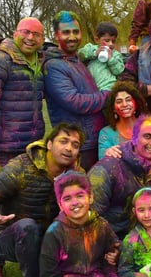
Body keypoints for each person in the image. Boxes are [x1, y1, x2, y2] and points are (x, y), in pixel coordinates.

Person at [6, 171, 136, 277]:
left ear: (90, 197)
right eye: (67, 199)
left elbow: (109, 263)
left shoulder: (102, 226)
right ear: (60, 205)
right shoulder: (54, 234)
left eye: (80, 195)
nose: (74, 202)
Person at [0, 123, 84, 277]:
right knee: (27, 227)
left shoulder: (76, 175)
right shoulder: (21, 167)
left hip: (47, 238)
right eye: (64, 141)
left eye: (75, 145)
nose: (69, 148)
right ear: (49, 144)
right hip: (11, 238)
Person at [0, 17, 45, 175]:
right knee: (5, 195)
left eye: (36, 34)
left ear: (42, 39)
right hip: (5, 150)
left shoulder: (39, 62)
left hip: (32, 146)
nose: (30, 38)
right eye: (26, 32)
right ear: (15, 34)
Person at [44, 11, 108, 171]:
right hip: (77, 144)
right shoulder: (53, 66)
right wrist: (109, 95)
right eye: (66, 32)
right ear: (56, 35)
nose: (72, 36)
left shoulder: (77, 61)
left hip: (93, 140)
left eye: (76, 31)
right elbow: (76, 102)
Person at [88, 115, 151, 238]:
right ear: (134, 139)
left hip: (140, 236)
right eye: (147, 136)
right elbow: (91, 218)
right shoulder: (106, 170)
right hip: (109, 239)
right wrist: (114, 246)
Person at [97, 81, 148, 160]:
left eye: (128, 100)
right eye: (119, 101)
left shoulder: (149, 126)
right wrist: (107, 152)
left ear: (136, 104)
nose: (124, 104)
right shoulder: (106, 133)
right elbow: (102, 161)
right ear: (113, 108)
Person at [78, 21, 125, 91]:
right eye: (107, 40)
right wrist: (94, 53)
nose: (110, 44)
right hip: (90, 87)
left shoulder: (116, 54)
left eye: (113, 41)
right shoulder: (91, 48)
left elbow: (119, 71)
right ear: (97, 40)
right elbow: (80, 54)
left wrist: (111, 59)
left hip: (108, 87)